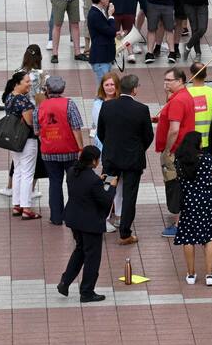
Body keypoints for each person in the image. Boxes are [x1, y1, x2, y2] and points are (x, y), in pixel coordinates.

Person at [97, 73, 153, 245]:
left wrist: (110, 146)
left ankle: (98, 223)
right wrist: (138, 149)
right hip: (132, 161)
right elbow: (148, 136)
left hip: (111, 158)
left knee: (106, 189)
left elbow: (101, 132)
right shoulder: (142, 109)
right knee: (129, 195)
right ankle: (125, 233)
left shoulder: (107, 106)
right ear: (134, 89)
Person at [57, 146, 114, 303]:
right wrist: (111, 185)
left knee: (80, 250)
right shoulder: (93, 180)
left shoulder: (72, 171)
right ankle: (87, 291)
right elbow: (105, 199)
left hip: (74, 219)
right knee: (92, 257)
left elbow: (85, 188)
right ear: (94, 161)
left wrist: (100, 182)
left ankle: (65, 281)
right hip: (90, 223)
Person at [174, 130, 212, 286]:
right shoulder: (208, 159)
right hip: (207, 200)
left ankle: (190, 274)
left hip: (188, 201)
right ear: (198, 144)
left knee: (188, 237)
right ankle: (209, 275)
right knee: (209, 236)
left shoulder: (180, 161)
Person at [37, 75, 86, 227]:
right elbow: (76, 127)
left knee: (54, 183)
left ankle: (56, 217)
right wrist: (81, 147)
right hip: (69, 150)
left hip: (49, 151)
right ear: (63, 89)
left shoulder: (40, 106)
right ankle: (74, 215)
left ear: (47, 89)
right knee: (73, 183)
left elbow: (37, 130)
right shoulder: (69, 104)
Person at [157, 67, 198, 238]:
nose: (165, 83)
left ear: (180, 81)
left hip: (175, 151)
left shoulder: (177, 101)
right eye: (165, 80)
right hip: (185, 150)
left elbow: (174, 130)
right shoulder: (184, 96)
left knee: (175, 186)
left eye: (169, 80)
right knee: (182, 185)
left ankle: (179, 223)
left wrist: (167, 150)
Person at [3, 70, 40, 220]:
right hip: (27, 139)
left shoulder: (9, 97)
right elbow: (30, 121)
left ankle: (17, 204)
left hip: (14, 140)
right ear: (18, 83)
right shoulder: (22, 100)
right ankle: (26, 208)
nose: (29, 84)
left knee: (18, 171)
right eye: (27, 81)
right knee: (27, 173)